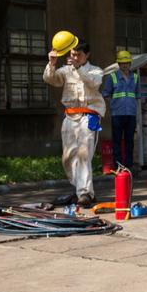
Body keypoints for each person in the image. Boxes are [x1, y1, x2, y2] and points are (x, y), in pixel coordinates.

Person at [43, 31, 105, 208]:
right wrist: (52, 63)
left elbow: (93, 83)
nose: (75, 57)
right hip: (70, 117)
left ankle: (84, 194)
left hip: (88, 116)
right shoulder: (66, 70)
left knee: (84, 154)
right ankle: (81, 189)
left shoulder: (95, 71)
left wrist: (78, 68)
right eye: (72, 54)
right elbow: (50, 79)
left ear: (87, 55)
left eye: (78, 54)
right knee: (68, 157)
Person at [102, 50, 140, 171]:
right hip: (117, 114)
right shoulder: (111, 77)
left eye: (127, 62)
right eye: (122, 63)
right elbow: (106, 94)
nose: (125, 65)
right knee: (117, 141)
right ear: (118, 64)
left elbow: (137, 95)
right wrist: (113, 105)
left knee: (130, 141)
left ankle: (129, 166)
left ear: (130, 63)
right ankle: (118, 166)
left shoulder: (135, 77)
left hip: (131, 114)